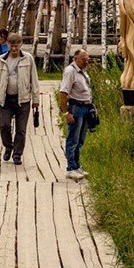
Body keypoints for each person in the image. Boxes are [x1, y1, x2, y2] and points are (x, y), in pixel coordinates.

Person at [0, 32, 39, 165]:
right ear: (8, 45)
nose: (14, 49)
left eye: (16, 46)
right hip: (5, 99)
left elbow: (34, 80)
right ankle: (8, 146)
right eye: (11, 46)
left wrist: (36, 100)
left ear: (21, 45)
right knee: (4, 126)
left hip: (23, 100)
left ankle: (17, 154)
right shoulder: (1, 60)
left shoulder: (28, 59)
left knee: (21, 129)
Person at [58, 49, 94, 180]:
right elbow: (63, 93)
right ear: (75, 59)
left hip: (85, 107)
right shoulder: (70, 71)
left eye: (87, 60)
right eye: (83, 60)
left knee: (80, 139)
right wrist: (66, 112)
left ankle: (77, 165)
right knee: (73, 138)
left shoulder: (82, 71)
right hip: (75, 107)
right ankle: (70, 168)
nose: (86, 62)